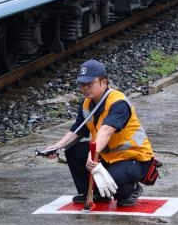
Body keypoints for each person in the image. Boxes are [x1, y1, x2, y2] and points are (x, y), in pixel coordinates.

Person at [44, 59, 154, 206]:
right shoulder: (87, 103)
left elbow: (106, 131)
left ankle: (132, 189)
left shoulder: (118, 103)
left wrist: (93, 153)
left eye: (90, 83)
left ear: (103, 83)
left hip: (134, 158)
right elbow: (77, 131)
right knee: (73, 150)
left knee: (113, 186)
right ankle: (94, 194)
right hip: (108, 156)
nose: (85, 88)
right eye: (82, 84)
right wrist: (58, 147)